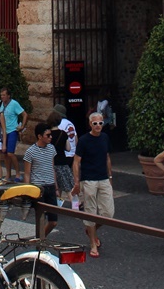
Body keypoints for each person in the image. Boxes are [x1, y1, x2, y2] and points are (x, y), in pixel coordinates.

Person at [71, 111, 114, 257]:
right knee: (90, 211)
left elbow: (107, 157)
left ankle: (91, 230)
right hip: (88, 179)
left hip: (103, 178)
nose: (98, 126)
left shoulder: (105, 137)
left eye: (100, 123)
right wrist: (77, 182)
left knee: (108, 213)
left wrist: (110, 176)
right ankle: (93, 243)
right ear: (90, 124)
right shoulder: (84, 140)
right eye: (95, 123)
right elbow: (76, 161)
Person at [23, 123, 58, 236]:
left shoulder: (51, 148)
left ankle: (40, 238)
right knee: (41, 218)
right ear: (39, 136)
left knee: (53, 221)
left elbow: (52, 167)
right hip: (38, 187)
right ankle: (40, 241)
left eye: (50, 135)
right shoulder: (30, 151)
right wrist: (27, 191)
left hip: (50, 186)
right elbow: (27, 173)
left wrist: (56, 187)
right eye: (48, 135)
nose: (50, 137)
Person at [0, 86, 28, 184]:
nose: (2, 97)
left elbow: (24, 114)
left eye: (4, 95)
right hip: (4, 131)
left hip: (12, 130)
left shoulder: (14, 104)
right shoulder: (0, 103)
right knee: (5, 154)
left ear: (8, 96)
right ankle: (8, 174)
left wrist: (22, 126)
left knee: (10, 153)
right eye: (1, 95)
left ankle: (18, 173)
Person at [46, 109, 74, 204]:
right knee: (69, 189)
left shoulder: (48, 135)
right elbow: (68, 148)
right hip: (62, 163)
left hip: (52, 164)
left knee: (57, 189)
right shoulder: (63, 133)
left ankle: (56, 207)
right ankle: (76, 207)